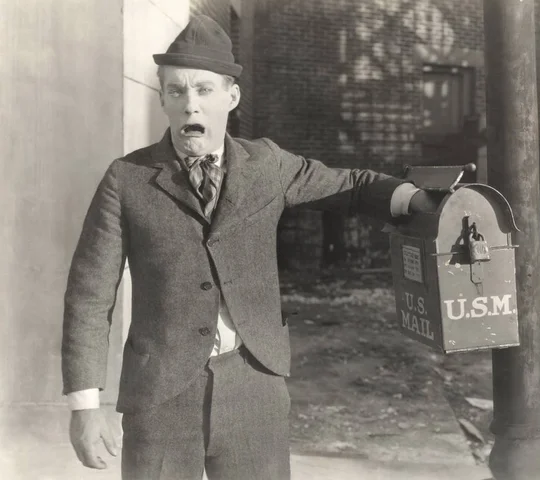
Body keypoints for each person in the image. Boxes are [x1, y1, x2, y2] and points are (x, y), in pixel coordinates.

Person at [62, 14, 438, 480]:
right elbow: (89, 295)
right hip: (160, 394)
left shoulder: (268, 166)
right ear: (162, 98)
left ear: (231, 96)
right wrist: (84, 404)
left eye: (203, 90)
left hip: (254, 385)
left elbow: (353, 186)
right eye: (176, 91)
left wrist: (418, 201)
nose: (190, 107)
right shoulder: (127, 179)